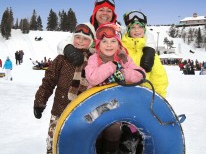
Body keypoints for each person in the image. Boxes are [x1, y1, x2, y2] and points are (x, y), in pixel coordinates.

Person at [33, 23, 96, 154]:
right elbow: (48, 81)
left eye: (85, 39)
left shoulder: (94, 61)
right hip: (59, 110)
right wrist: (40, 101)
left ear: (91, 42)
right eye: (78, 37)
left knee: (79, 145)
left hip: (83, 113)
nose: (80, 41)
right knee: (54, 142)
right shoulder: (62, 58)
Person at [85, 23, 145, 154]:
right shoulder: (94, 58)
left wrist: (125, 73)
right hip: (95, 106)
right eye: (104, 41)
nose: (109, 45)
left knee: (113, 130)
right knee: (96, 130)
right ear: (98, 44)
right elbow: (92, 78)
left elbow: (141, 74)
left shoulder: (124, 59)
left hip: (116, 105)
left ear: (119, 44)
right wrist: (111, 66)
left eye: (113, 41)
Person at [59, 0, 156, 72]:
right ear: (95, 12)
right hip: (90, 74)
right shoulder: (87, 28)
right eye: (101, 10)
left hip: (114, 73)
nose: (105, 13)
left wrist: (149, 51)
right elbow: (64, 42)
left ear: (113, 14)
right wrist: (69, 49)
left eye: (109, 11)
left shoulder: (117, 30)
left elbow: (142, 32)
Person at [121, 11, 169, 97]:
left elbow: (159, 79)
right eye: (133, 27)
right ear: (128, 30)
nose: (137, 30)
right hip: (123, 97)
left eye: (140, 27)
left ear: (144, 29)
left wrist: (158, 99)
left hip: (144, 98)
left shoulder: (150, 53)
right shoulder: (121, 50)